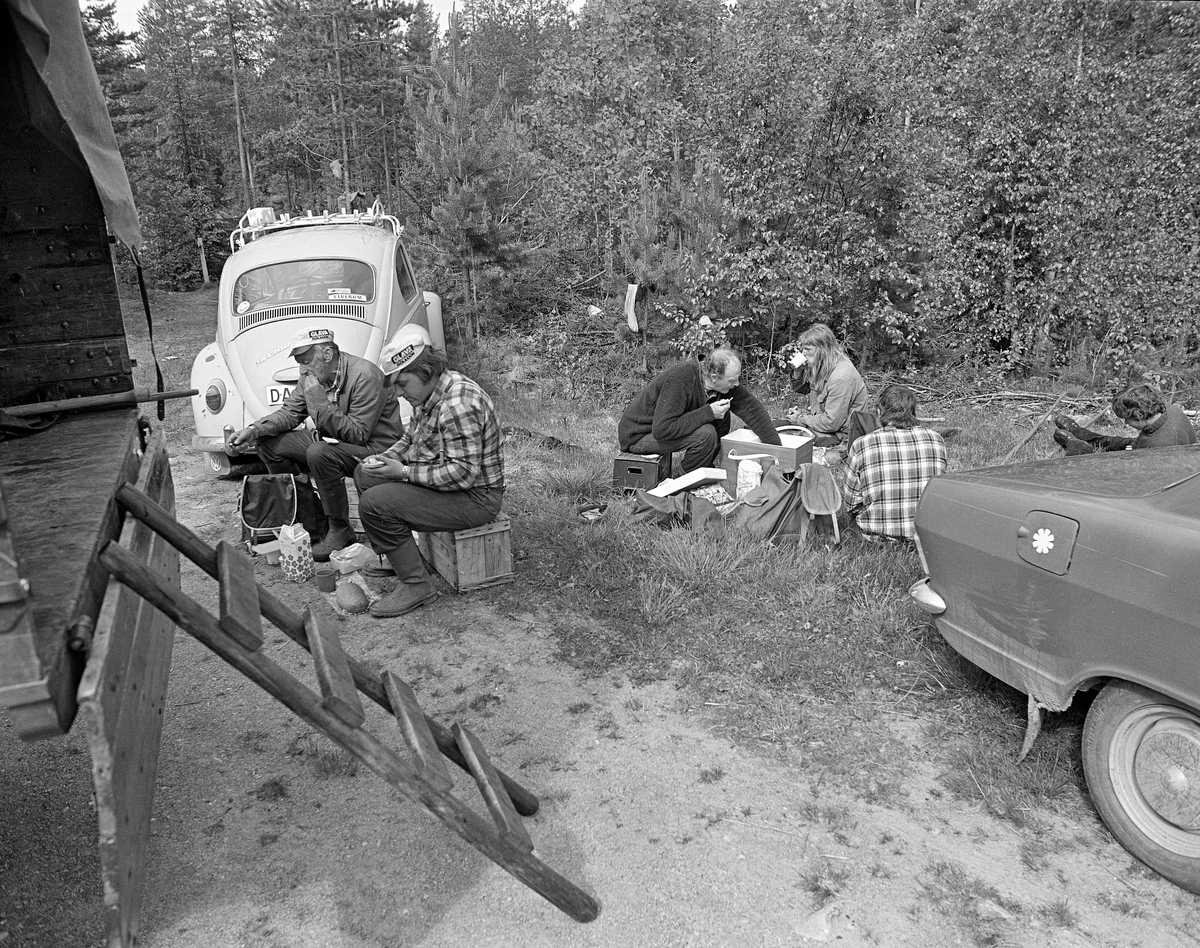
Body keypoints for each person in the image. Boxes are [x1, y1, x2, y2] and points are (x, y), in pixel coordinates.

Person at [355, 326, 505, 617]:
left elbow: (462, 474)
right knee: (365, 473)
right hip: (454, 485)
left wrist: (402, 473)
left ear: (424, 370)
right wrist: (383, 461)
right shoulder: (427, 395)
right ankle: (403, 558)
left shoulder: (457, 403)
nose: (398, 393)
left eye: (401, 384)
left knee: (375, 504)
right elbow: (410, 438)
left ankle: (416, 585)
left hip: (476, 498)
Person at [229, 327, 402, 560]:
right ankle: (311, 523)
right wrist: (253, 431)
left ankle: (340, 530)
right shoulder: (310, 377)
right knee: (268, 443)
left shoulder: (365, 376)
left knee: (319, 452)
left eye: (306, 361)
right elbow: (290, 413)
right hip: (334, 444)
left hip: (375, 449)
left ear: (328, 355)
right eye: (300, 363)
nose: (302, 370)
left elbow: (358, 434)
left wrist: (321, 404)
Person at [618, 348, 781, 474]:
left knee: (722, 417)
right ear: (715, 376)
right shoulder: (681, 378)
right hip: (638, 436)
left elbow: (752, 409)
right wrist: (708, 413)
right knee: (706, 433)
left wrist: (779, 452)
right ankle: (684, 483)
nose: (737, 384)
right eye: (732, 380)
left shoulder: (722, 382)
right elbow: (662, 429)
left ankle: (703, 468)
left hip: (659, 430)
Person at [843, 384, 947, 541]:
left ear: (879, 412)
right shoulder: (936, 439)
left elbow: (851, 502)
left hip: (876, 536)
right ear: (913, 412)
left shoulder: (862, 444)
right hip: (926, 535)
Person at [784, 323, 870, 448]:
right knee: (772, 427)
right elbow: (802, 389)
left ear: (822, 350)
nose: (803, 353)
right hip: (825, 426)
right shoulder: (823, 363)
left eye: (807, 349)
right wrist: (798, 371)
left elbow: (832, 423)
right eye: (803, 349)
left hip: (841, 435)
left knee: (789, 440)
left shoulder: (840, 378)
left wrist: (801, 419)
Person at [1053, 384, 1197, 455]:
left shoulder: (1158, 446)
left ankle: (1078, 447)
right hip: (1143, 447)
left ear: (1139, 415)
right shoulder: (1165, 408)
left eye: (1126, 419)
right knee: (1116, 442)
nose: (1126, 423)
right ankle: (1080, 433)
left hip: (1150, 463)